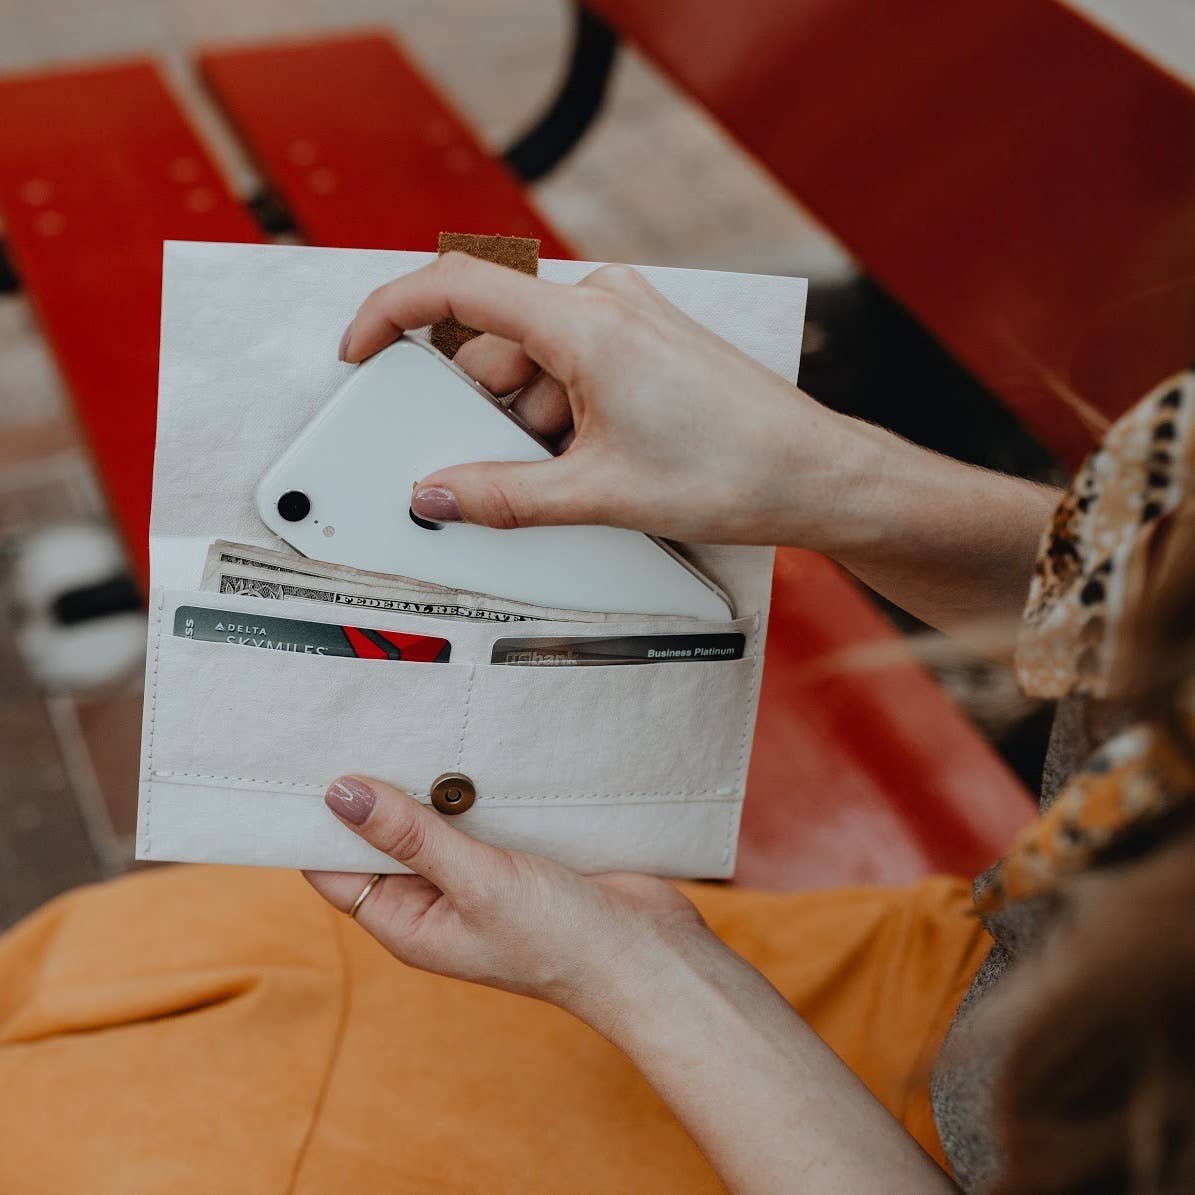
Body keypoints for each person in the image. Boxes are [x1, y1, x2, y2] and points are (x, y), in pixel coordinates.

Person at [1, 254, 1192, 1192]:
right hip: (1015, 964)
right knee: (137, 966)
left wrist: (642, 972)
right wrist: (824, 475)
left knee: (90, 1106)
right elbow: (1160, 619)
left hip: (940, 1116)